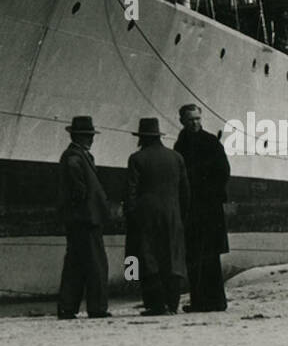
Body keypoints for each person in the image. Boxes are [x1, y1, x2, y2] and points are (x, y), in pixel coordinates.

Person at [125, 118, 190, 315]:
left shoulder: (136, 159)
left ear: (142, 138)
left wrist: (130, 216)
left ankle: (155, 305)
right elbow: (185, 192)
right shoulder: (176, 157)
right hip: (172, 215)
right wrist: (181, 216)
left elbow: (130, 192)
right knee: (172, 258)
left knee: (148, 259)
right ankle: (172, 304)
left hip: (146, 216)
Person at [175, 103, 231, 311]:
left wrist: (208, 192)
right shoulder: (180, 144)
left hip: (207, 209)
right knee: (195, 257)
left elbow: (224, 172)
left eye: (197, 119)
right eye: (190, 120)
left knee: (208, 257)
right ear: (182, 121)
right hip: (195, 209)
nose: (195, 123)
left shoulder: (210, 142)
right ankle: (200, 301)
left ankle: (214, 301)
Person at [56, 115, 111, 320]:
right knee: (96, 264)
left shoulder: (77, 156)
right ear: (78, 137)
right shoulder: (75, 158)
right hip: (86, 219)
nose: (91, 139)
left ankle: (67, 307)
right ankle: (97, 308)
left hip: (79, 219)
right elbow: (77, 190)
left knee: (75, 264)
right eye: (87, 136)